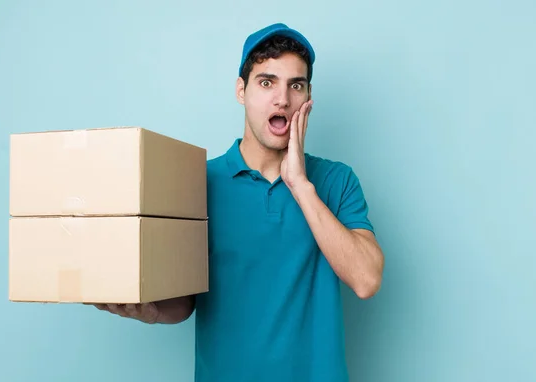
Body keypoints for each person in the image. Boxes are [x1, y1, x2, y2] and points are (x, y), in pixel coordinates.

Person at [92, 23, 385, 381]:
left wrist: (300, 185)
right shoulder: (195, 182)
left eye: (296, 85)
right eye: (266, 82)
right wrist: (149, 311)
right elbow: (186, 300)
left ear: (308, 97)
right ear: (241, 90)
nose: (282, 99)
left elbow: (366, 280)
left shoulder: (336, 181)